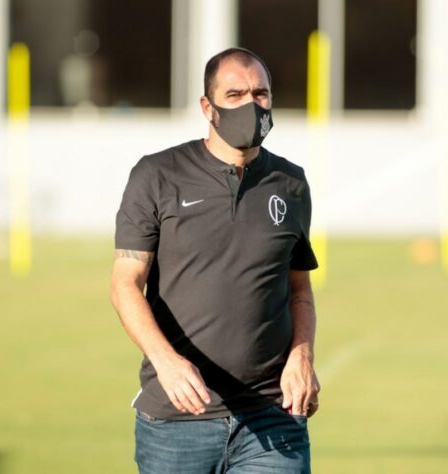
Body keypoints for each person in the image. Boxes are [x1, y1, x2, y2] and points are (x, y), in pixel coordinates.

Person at [110, 47, 320, 473]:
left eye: (260, 94)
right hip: (177, 420)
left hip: (273, 418)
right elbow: (124, 285)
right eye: (235, 94)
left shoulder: (291, 183)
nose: (251, 105)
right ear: (208, 107)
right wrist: (166, 362)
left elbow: (298, 287)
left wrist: (302, 355)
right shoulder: (156, 175)